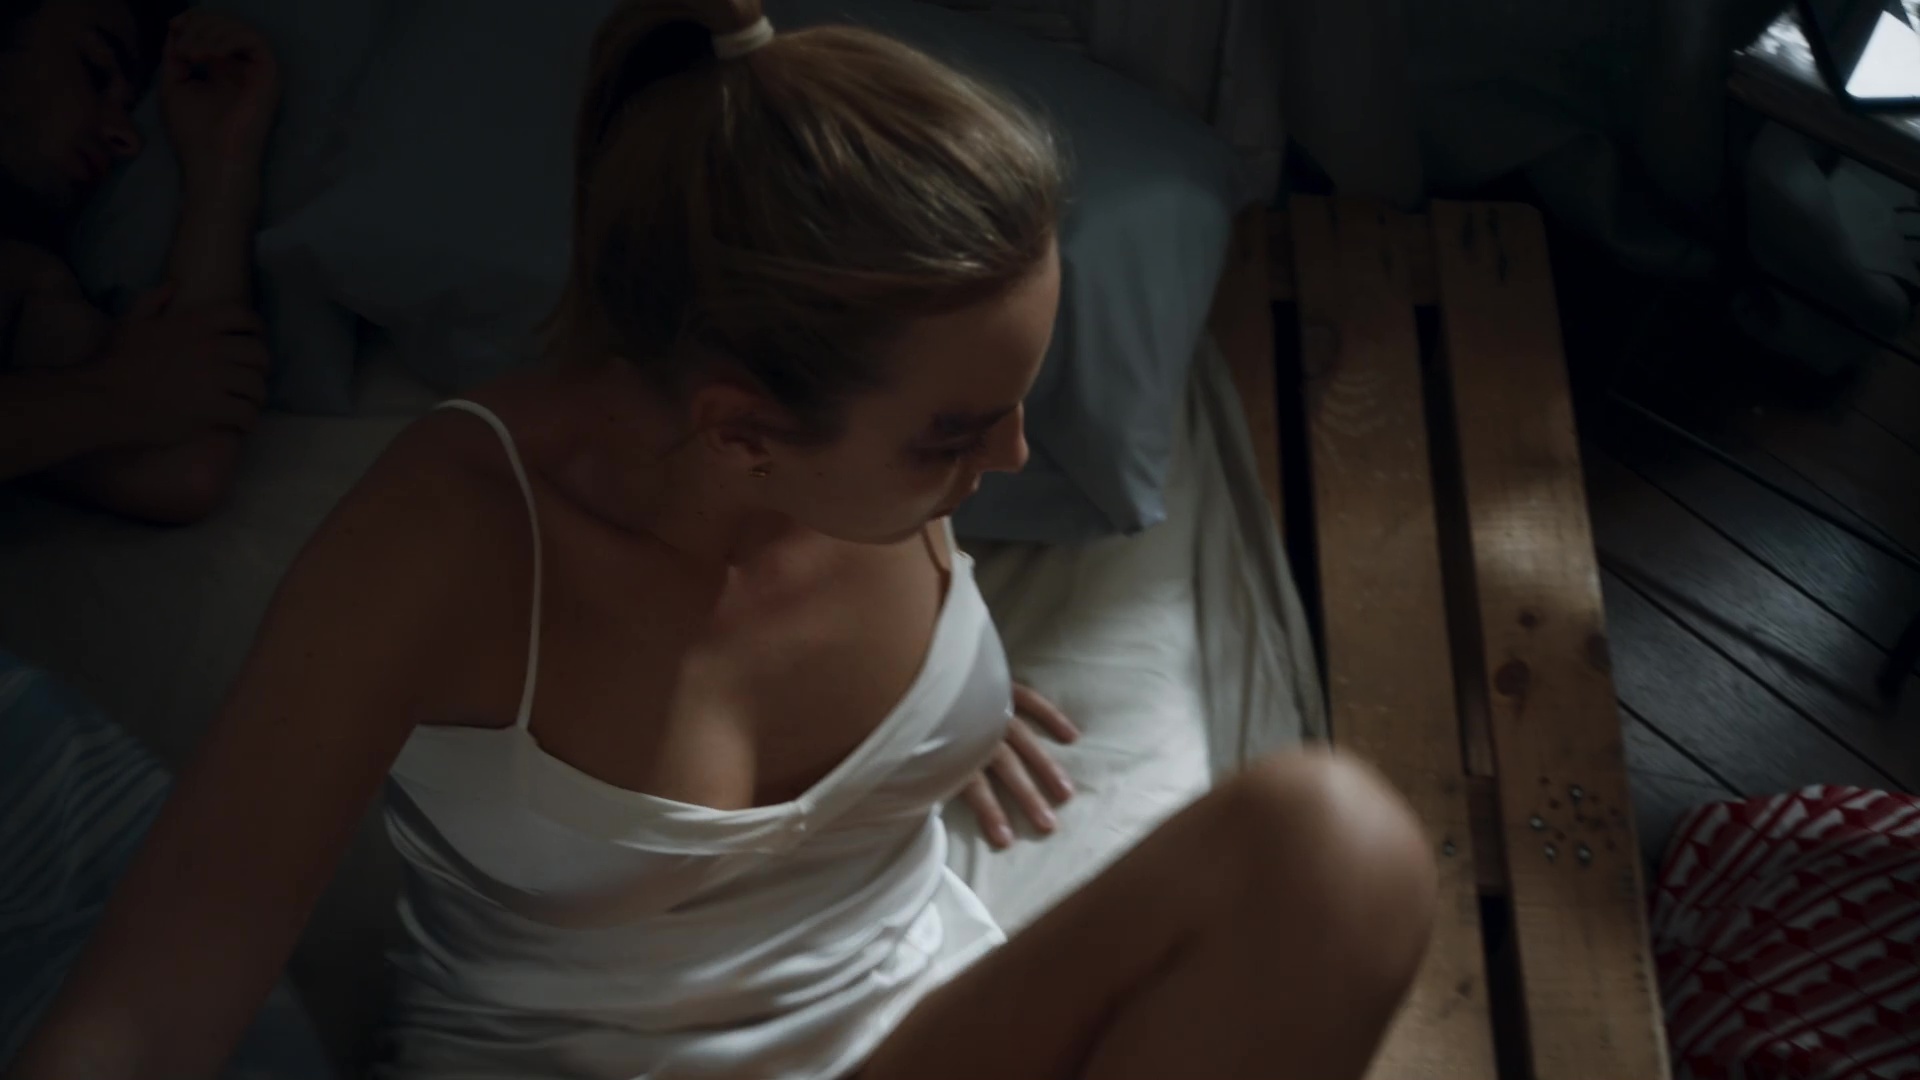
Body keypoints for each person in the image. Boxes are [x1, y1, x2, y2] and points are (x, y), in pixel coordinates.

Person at [8, 1, 1438, 1077]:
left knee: (1336, 850)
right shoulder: (443, 542)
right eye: (951, 434)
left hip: (915, 1032)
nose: (1009, 462)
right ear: (743, 431)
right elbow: (147, 1011)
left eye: (1018, 401)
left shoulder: (878, 473)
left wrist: (946, 703)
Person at [0, 0, 277, 524]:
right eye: (95, 70)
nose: (126, 137)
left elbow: (179, 466)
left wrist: (220, 164)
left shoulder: (23, 275)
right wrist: (113, 396)